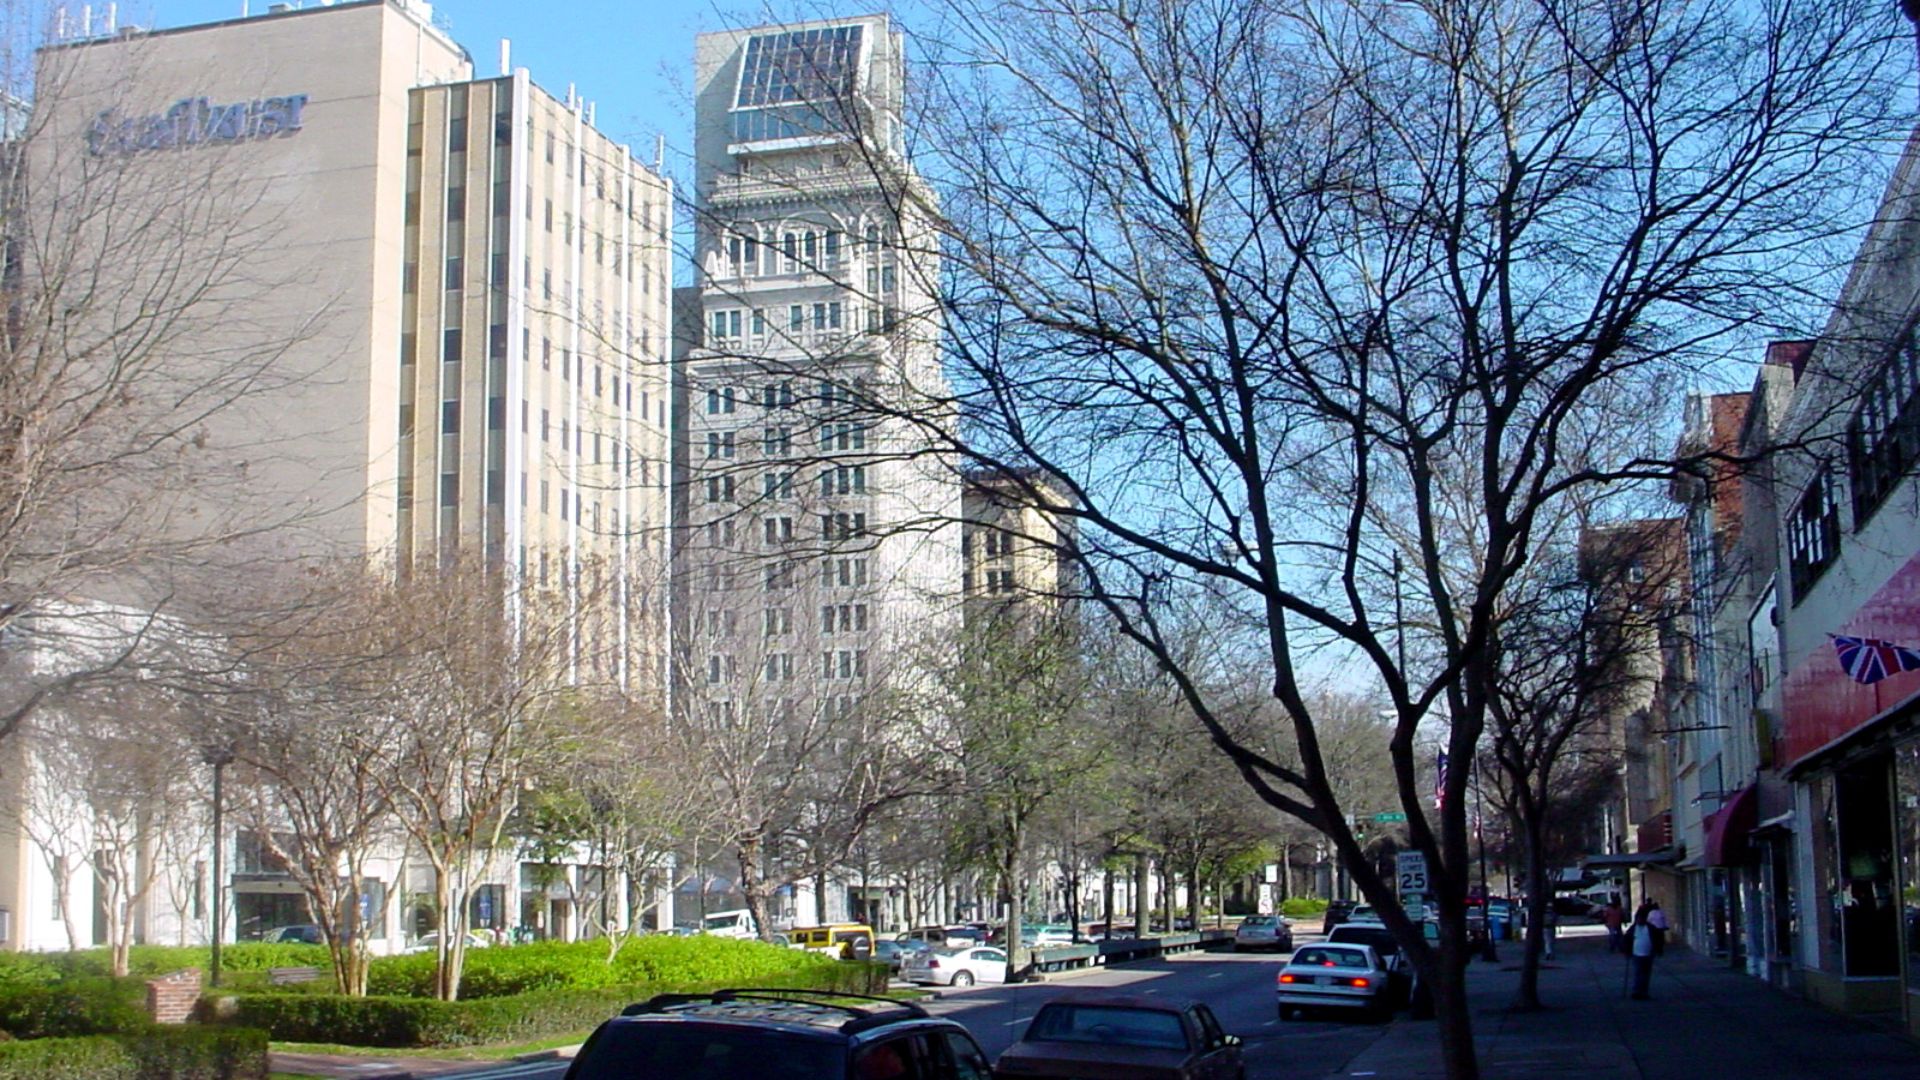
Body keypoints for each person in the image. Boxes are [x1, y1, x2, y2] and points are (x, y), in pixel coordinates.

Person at [1628, 904, 1657, 999]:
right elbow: (1627, 940)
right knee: (1639, 972)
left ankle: (1643, 991)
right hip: (1637, 953)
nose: (1639, 920)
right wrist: (1627, 950)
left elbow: (1657, 938)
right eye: (1638, 919)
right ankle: (1637, 991)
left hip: (1648, 953)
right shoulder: (1633, 929)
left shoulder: (1650, 928)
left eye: (1641, 918)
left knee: (1646, 973)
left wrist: (1657, 949)